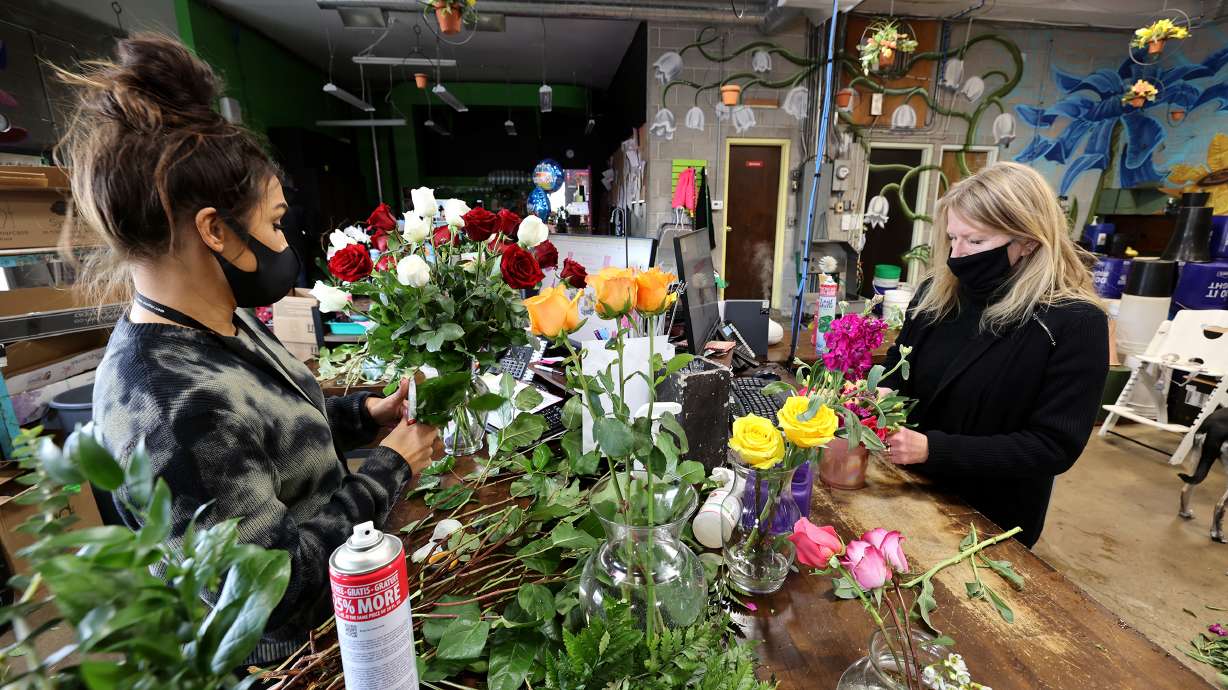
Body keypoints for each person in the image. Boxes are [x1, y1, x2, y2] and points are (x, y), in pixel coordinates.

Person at [55, 35, 439, 663]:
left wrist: (366, 417)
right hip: (298, 658)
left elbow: (272, 438)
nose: (284, 240)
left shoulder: (219, 322)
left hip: (355, 611)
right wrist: (391, 467)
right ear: (214, 230)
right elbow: (271, 588)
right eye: (275, 222)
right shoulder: (165, 404)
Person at [881, 162, 1108, 548]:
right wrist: (883, 391)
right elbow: (898, 362)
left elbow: (1053, 446)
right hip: (906, 486)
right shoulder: (939, 293)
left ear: (1029, 240)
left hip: (988, 518)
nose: (958, 255)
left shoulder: (1073, 323)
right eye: (952, 239)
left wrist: (934, 450)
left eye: (975, 242)